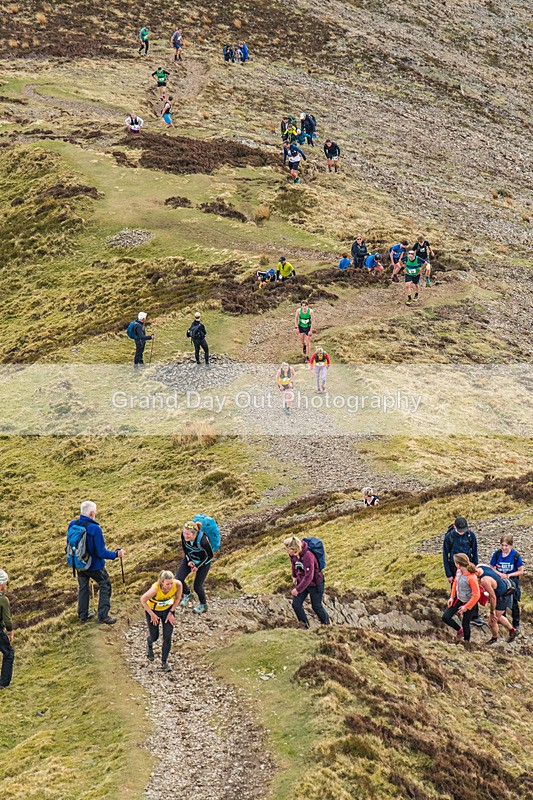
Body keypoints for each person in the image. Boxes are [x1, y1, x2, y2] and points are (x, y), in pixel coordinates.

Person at [68, 501, 124, 625]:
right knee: (105, 585)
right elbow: (101, 552)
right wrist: (116, 554)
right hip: (94, 565)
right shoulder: (95, 529)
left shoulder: (72, 524)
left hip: (79, 564)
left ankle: (83, 615)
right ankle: (103, 616)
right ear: (92, 513)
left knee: (83, 588)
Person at [442, 516, 483, 627]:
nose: (461, 533)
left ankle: (474, 616)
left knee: (473, 590)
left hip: (468, 566)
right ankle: (453, 611)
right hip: (454, 566)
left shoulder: (470, 535)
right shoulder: (449, 537)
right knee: (455, 589)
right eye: (460, 531)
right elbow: (445, 555)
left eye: (463, 531)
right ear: (454, 527)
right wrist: (448, 574)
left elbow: (474, 552)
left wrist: (475, 569)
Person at [140, 570, 182, 672]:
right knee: (155, 636)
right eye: (168, 584)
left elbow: (177, 599)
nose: (170, 586)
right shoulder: (155, 589)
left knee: (167, 637)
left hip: (168, 611)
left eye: (171, 583)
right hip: (154, 612)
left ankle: (164, 662)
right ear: (161, 582)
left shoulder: (178, 585)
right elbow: (143, 600)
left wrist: (171, 612)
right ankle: (149, 643)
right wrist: (152, 615)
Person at [284, 536, 330, 628]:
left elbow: (309, 577)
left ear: (294, 548)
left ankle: (327, 626)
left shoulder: (308, 556)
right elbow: (294, 564)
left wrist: (297, 589)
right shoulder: (293, 555)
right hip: (302, 582)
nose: (286, 551)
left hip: (315, 584)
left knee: (316, 606)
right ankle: (304, 626)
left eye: (287, 549)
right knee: (296, 605)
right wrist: (294, 576)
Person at [442, 554, 480, 644]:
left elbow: (476, 595)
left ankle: (466, 643)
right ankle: (459, 630)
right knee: (445, 617)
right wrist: (452, 597)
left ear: (458, 564)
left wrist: (466, 607)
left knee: (465, 623)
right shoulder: (459, 571)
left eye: (455, 562)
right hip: (459, 599)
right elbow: (455, 583)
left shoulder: (471, 577)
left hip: (470, 602)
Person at [177, 521, 213, 614]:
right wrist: (189, 561)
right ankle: (187, 594)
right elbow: (185, 549)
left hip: (203, 563)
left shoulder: (203, 541)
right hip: (190, 559)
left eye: (188, 534)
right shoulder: (184, 536)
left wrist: (197, 566)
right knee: (178, 579)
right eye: (184, 533)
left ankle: (203, 605)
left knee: (197, 586)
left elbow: (210, 556)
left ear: (195, 534)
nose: (185, 536)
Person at [490, 534, 524, 632]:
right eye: (502, 545)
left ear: (511, 545)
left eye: (506, 545)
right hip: (501, 582)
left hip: (512, 582)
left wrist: (509, 575)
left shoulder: (515, 555)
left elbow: (521, 571)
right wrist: (499, 574)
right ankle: (502, 621)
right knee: (501, 602)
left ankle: (516, 624)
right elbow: (491, 567)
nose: (504, 548)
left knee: (514, 603)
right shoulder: (497, 554)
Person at [476, 564, 517, 644]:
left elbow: (493, 597)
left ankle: (494, 639)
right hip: (504, 585)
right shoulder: (480, 566)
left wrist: (492, 612)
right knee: (499, 616)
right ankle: (512, 631)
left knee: (492, 621)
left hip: (504, 595)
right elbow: (491, 569)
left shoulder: (484, 580)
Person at [0, 570, 14, 690]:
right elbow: (7, 619)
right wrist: (10, 632)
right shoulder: (3, 600)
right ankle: (4, 683)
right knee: (8, 653)